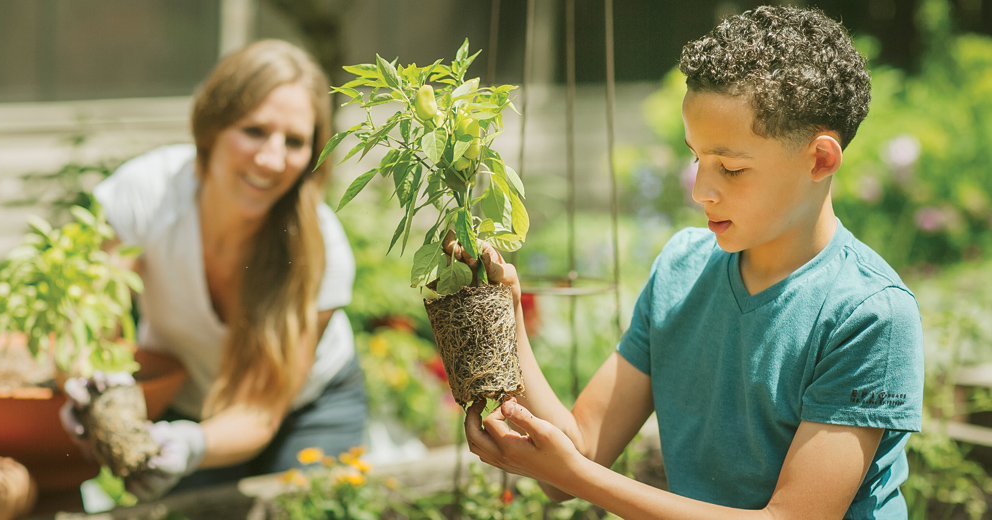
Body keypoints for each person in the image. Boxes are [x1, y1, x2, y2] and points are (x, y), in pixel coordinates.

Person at [462, 6, 924, 519]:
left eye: (730, 168)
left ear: (819, 160)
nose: (702, 190)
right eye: (696, 158)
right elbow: (581, 451)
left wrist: (574, 474)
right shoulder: (682, 267)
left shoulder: (869, 314)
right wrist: (503, 315)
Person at [62, 39, 367, 500]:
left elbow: (259, 411)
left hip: (311, 410)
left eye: (295, 141)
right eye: (254, 130)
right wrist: (88, 392)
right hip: (186, 406)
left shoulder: (320, 248)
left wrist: (192, 444)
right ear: (212, 126)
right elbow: (90, 328)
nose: (271, 159)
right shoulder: (147, 194)